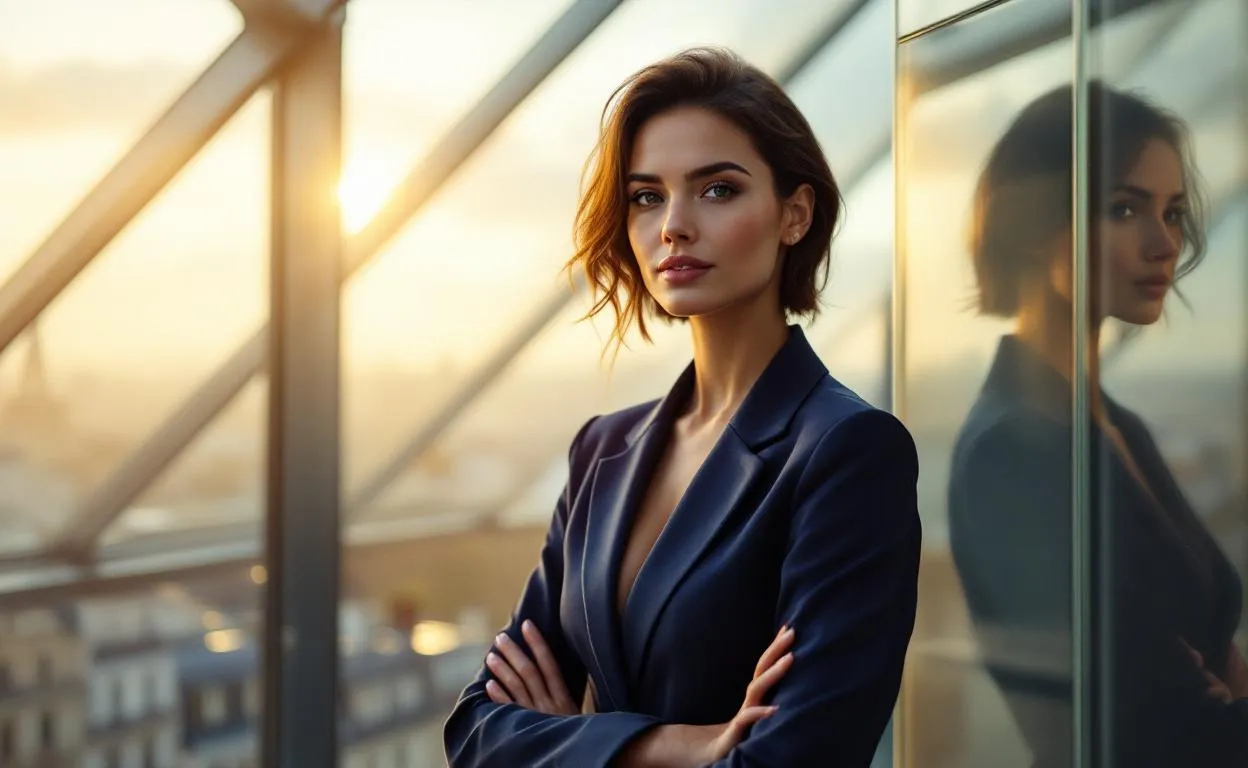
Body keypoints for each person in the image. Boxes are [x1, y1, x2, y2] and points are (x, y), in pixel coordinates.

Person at [443, 47, 921, 767]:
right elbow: (477, 732)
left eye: (718, 190)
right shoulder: (602, 450)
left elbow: (792, 760)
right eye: (646, 196)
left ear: (795, 214)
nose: (673, 225)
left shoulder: (848, 451)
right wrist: (679, 746)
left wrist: (568, 743)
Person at [947, 81, 1248, 766]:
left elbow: (1204, 675)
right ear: (1032, 222)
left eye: (1172, 214)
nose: (1163, 243)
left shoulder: (1116, 425)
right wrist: (1214, 709)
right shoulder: (1013, 449)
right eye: (1123, 209)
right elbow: (1144, 732)